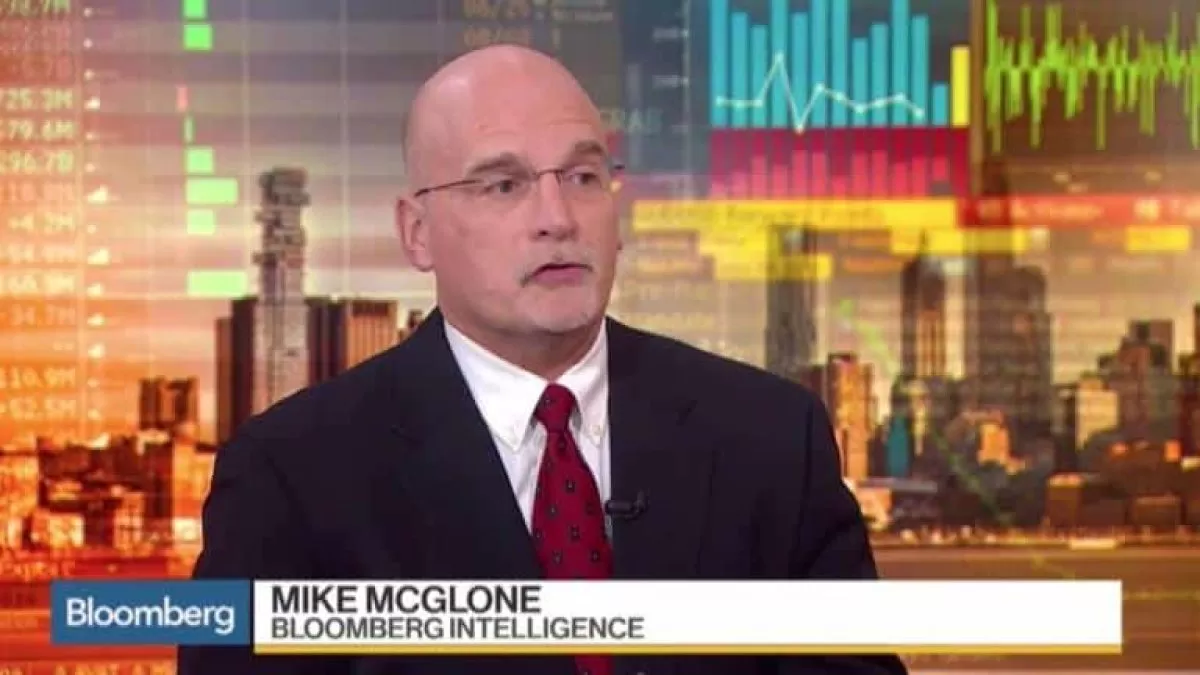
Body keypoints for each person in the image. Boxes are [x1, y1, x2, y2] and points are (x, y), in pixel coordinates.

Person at [179, 45, 908, 675]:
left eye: (583, 177)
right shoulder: (290, 476)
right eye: (504, 184)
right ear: (417, 232)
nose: (558, 218)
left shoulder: (773, 438)